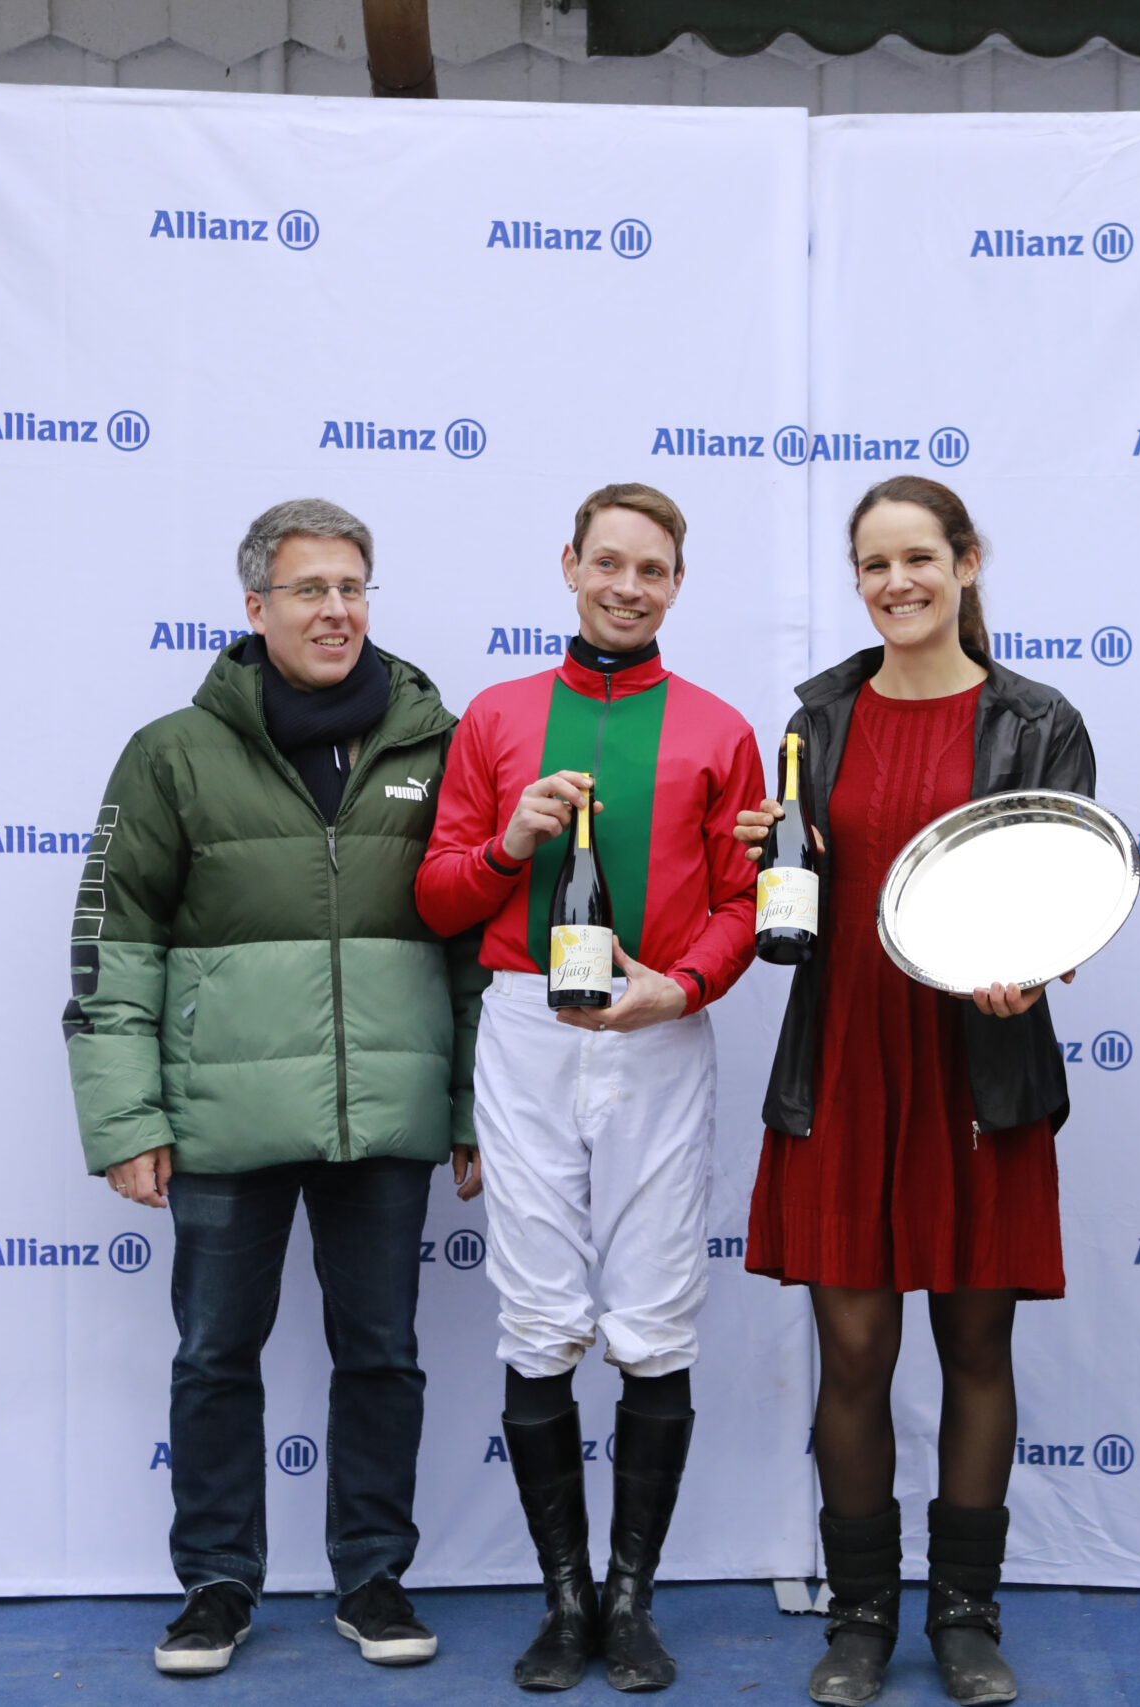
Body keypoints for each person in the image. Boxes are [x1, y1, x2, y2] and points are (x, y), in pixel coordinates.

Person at [63, 499, 478, 1677]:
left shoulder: (434, 744)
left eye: (353, 588)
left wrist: (466, 1111)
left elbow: (472, 951)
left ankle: (372, 1576)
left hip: (386, 1116)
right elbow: (114, 945)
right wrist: (127, 1118)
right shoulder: (171, 754)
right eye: (309, 590)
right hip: (222, 1120)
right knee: (212, 1356)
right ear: (256, 607)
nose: (336, 611)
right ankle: (216, 1583)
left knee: (384, 1353)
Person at [732, 477, 1094, 1707]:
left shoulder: (1036, 720)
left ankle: (966, 1617)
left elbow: (1066, 888)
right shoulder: (814, 722)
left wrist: (1034, 968)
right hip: (843, 1056)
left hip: (978, 1068)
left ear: (967, 562)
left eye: (919, 559)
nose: (897, 584)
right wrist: (777, 859)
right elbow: (805, 891)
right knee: (851, 1354)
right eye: (874, 565)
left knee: (976, 1343)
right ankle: (859, 1619)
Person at [416, 482, 763, 1694]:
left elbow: (744, 904)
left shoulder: (718, 729)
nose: (626, 587)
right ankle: (564, 1606)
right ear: (568, 565)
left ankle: (632, 1605)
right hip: (524, 1027)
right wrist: (511, 844)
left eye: (652, 570)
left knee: (656, 1317)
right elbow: (439, 897)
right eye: (607, 563)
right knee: (540, 1313)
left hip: (660, 1033)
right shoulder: (499, 718)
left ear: (677, 584)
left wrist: (683, 988)